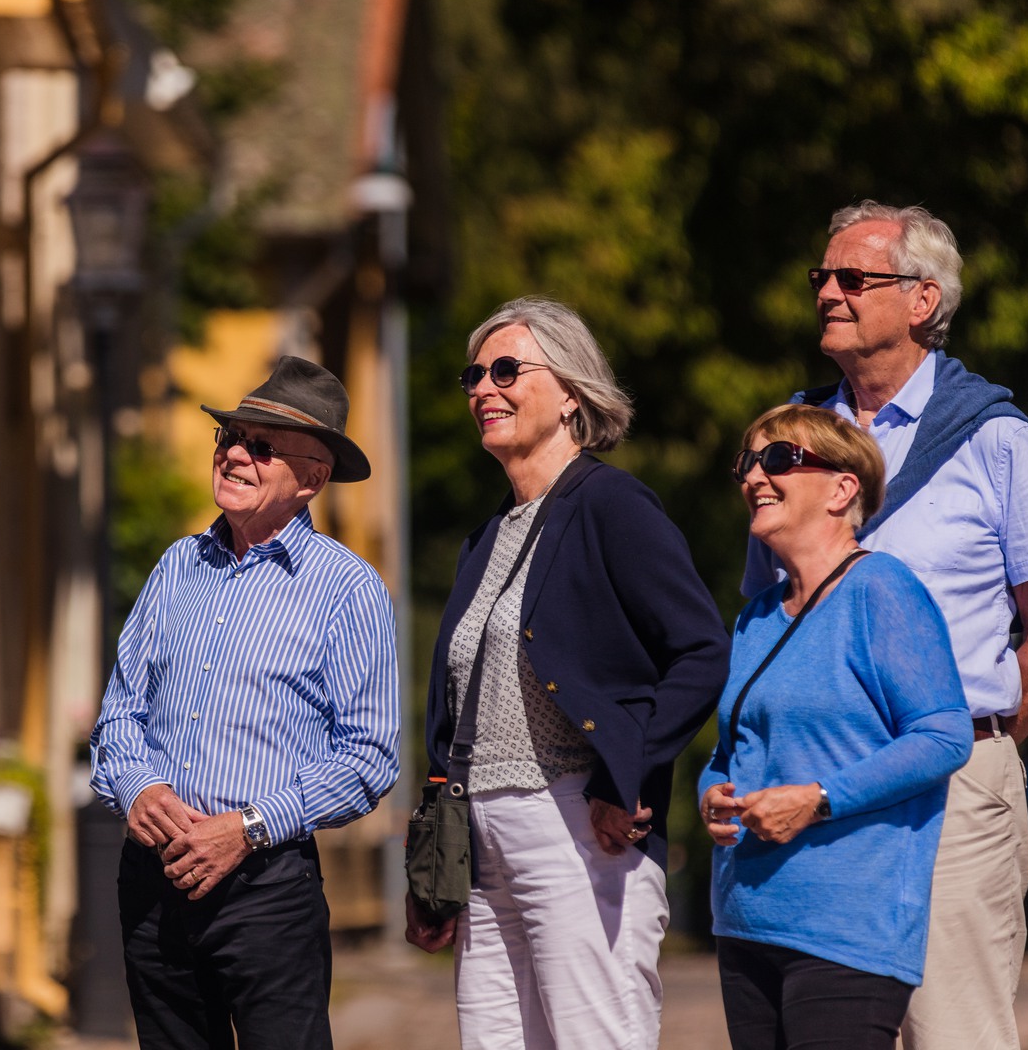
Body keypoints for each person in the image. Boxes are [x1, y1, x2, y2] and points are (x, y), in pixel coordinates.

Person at [745, 201, 1028, 1047]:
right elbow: (759, 617)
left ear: (923, 301)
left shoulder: (998, 441)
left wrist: (982, 747)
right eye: (822, 277)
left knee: (951, 1031)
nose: (828, 291)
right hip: (813, 796)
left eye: (853, 278)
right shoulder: (792, 445)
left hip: (952, 791)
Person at [406, 296, 729, 1050]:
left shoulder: (612, 504)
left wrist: (629, 776)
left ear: (571, 395)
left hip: (577, 829)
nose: (484, 388)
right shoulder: (488, 535)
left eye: (508, 369)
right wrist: (437, 857)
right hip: (484, 839)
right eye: (474, 375)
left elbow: (700, 650)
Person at [89, 356, 400, 1050]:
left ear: (312, 479)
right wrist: (138, 787)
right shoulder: (177, 566)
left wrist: (248, 827)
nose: (233, 454)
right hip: (154, 876)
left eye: (261, 447)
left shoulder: (347, 589)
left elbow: (369, 757)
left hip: (264, 886)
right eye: (229, 436)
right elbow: (119, 713)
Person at [705, 404, 973, 1048]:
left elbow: (943, 735)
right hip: (745, 923)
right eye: (747, 463)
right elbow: (729, 751)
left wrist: (818, 800)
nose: (754, 478)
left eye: (779, 460)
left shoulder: (882, 589)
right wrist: (710, 795)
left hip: (848, 932)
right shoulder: (756, 616)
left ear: (843, 488)